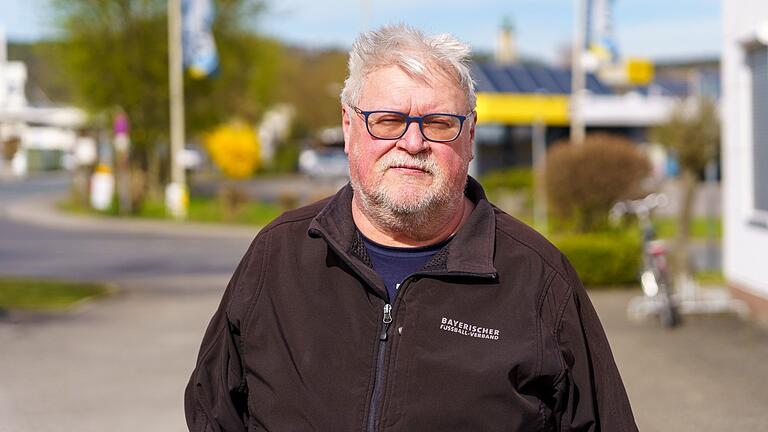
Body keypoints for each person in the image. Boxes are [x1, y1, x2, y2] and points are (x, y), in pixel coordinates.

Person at [185, 24, 638, 431]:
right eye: (388, 120)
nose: (413, 142)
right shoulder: (278, 254)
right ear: (348, 127)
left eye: (439, 123)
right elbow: (212, 412)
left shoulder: (538, 278)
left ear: (471, 136)